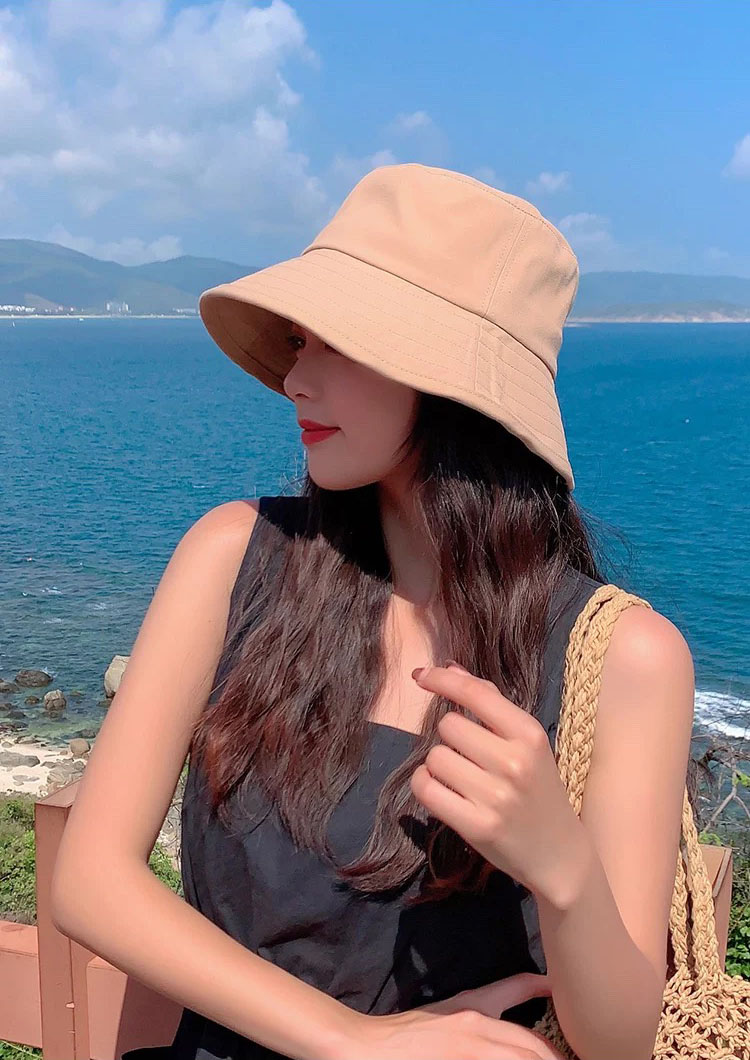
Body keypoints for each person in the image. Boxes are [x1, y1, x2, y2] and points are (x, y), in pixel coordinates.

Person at [51, 164, 695, 1060]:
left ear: (454, 386)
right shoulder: (232, 557)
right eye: (297, 340)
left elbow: (621, 1041)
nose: (294, 378)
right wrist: (352, 1040)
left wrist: (566, 872)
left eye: (337, 343)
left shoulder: (624, 655)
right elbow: (88, 880)